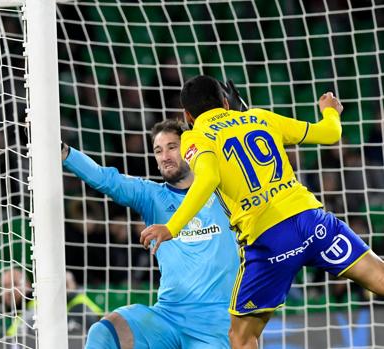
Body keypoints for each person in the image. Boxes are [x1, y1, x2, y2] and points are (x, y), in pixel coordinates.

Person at [140, 75, 384, 348]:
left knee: (241, 337)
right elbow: (330, 133)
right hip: (311, 220)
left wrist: (171, 227)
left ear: (187, 115)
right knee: (380, 278)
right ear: (224, 101)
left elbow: (207, 179)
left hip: (268, 242)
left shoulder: (195, 137)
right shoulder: (260, 117)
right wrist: (329, 110)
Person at [62, 119, 239, 348]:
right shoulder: (152, 197)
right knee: (104, 332)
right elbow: (106, 179)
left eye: (172, 147)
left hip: (217, 325)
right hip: (168, 317)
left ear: (190, 149)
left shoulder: (225, 192)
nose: (165, 156)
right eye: (158, 151)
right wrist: (66, 153)